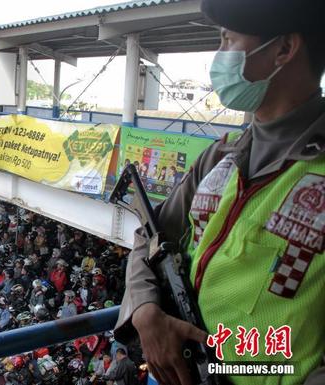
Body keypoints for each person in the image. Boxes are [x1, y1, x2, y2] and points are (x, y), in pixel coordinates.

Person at [114, 1, 325, 385]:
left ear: (283, 50)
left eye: (228, 39)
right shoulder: (219, 156)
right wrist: (144, 308)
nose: (219, 56)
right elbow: (150, 234)